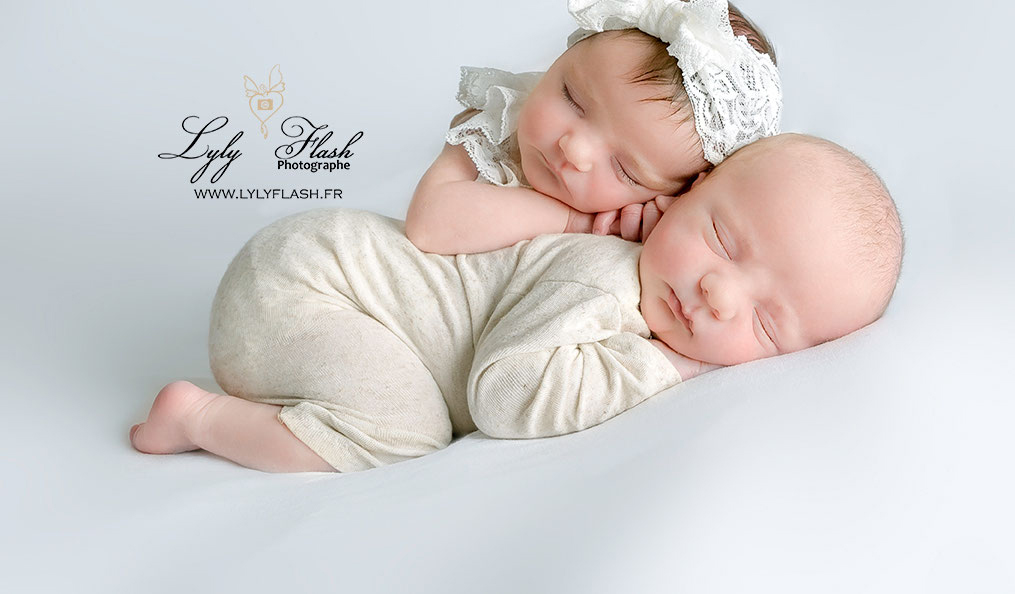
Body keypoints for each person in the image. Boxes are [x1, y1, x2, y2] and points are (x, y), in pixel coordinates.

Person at [129, 133, 904, 473]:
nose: (715, 294)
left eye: (766, 323)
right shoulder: (605, 278)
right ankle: (196, 418)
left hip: (307, 279)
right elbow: (503, 395)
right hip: (304, 287)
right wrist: (661, 368)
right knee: (403, 435)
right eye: (722, 242)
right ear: (687, 193)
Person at [405, 0, 782, 253]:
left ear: (676, 194)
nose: (574, 150)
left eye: (625, 171)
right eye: (573, 99)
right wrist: (573, 222)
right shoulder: (493, 130)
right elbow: (428, 225)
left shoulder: (642, 233)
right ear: (566, 54)